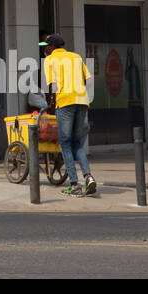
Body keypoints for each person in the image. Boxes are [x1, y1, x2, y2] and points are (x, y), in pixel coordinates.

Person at [42, 32, 96, 196]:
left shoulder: (50, 59)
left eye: (46, 47)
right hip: (82, 101)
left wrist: (51, 105)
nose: (44, 50)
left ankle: (74, 184)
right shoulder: (76, 57)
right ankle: (88, 176)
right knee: (77, 142)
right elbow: (87, 79)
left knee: (65, 142)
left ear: (52, 47)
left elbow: (51, 85)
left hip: (65, 101)